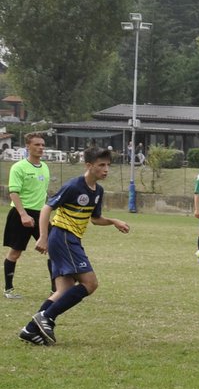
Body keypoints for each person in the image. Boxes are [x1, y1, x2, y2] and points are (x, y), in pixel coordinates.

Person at [19, 146, 129, 346]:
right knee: (90, 283)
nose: (106, 170)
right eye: (101, 165)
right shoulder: (74, 186)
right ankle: (47, 317)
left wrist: (113, 221)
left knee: (63, 291)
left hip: (71, 239)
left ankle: (30, 329)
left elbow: (95, 219)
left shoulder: (98, 191)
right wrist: (43, 236)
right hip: (62, 237)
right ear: (89, 166)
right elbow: (46, 208)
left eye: (108, 166)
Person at [5, 132, 51, 299]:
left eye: (42, 145)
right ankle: (8, 290)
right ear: (28, 146)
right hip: (21, 214)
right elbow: (13, 192)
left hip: (41, 215)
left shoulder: (45, 167)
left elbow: (43, 192)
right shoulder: (18, 167)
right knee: (15, 253)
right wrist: (23, 215)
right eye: (37, 145)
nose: (40, 148)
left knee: (53, 249)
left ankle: (56, 290)